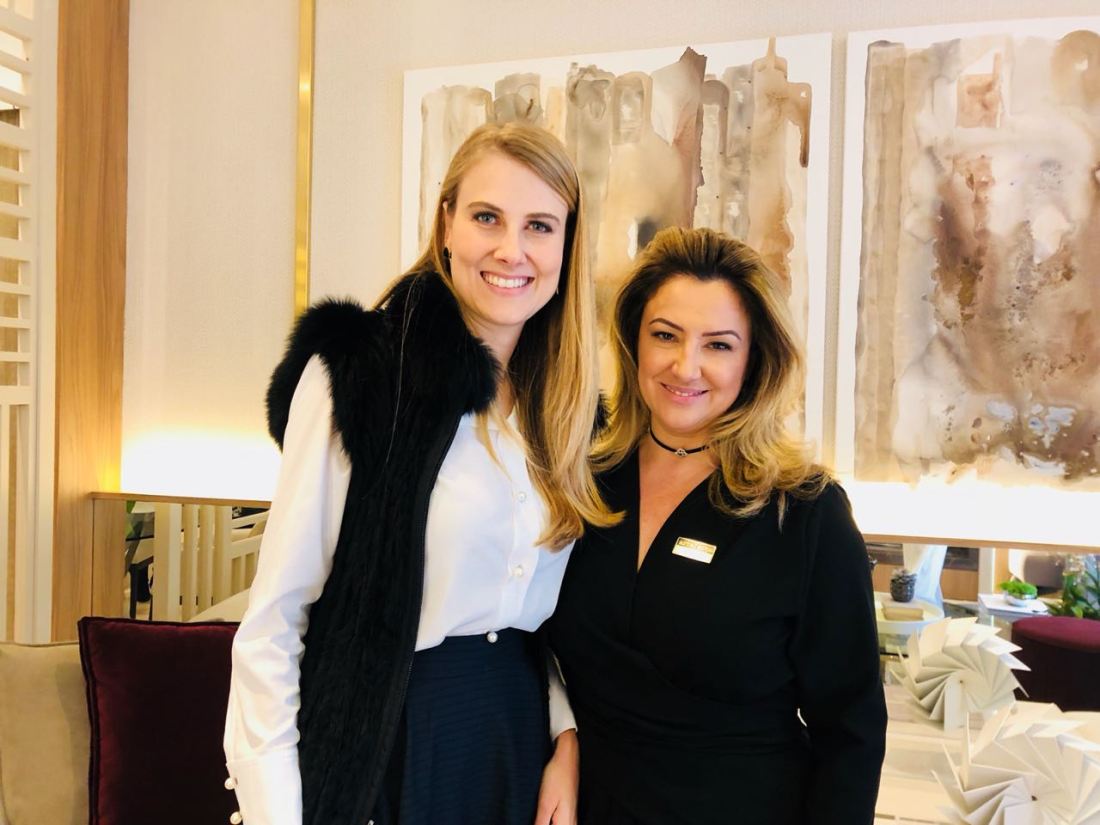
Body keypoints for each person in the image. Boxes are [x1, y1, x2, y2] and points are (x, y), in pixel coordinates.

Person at [223, 122, 614, 825]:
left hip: (515, 742)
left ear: (567, 245)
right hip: (387, 738)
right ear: (446, 225)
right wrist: (275, 811)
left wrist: (566, 733)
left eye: (540, 225)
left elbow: (548, 623)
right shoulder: (359, 374)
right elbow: (276, 619)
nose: (512, 249)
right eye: (487, 217)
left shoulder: (571, 411)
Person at [549, 226, 887, 824]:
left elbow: (851, 729)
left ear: (755, 359)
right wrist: (563, 740)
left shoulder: (804, 512)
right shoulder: (580, 482)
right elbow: (530, 649)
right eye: (665, 335)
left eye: (719, 345)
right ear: (632, 341)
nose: (686, 366)